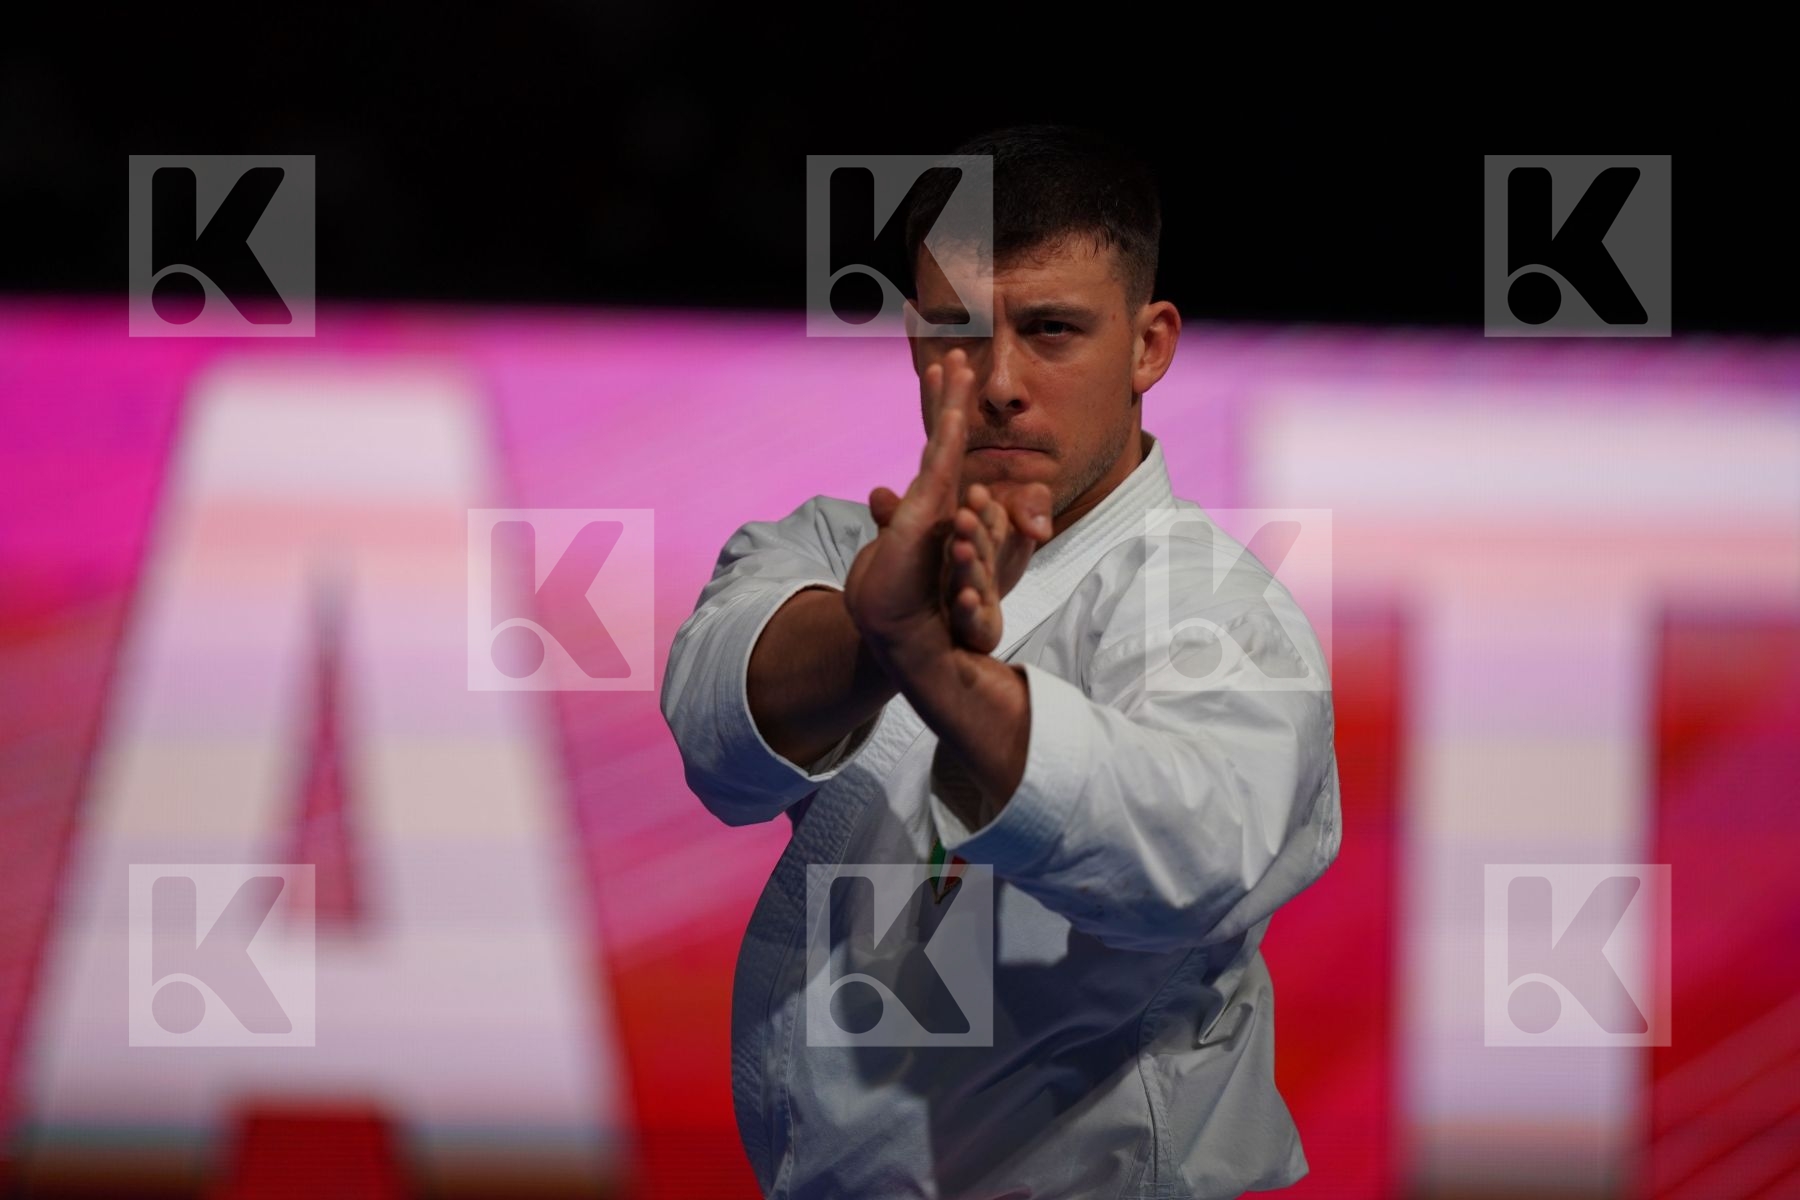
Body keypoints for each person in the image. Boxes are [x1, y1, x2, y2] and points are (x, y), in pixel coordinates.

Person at [660, 125, 1340, 1200]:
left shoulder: (1216, 611)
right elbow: (717, 748)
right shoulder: (836, 549)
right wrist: (878, 634)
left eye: (1052, 330)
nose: (999, 383)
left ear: (1150, 345)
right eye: (957, 333)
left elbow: (1184, 863)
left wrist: (937, 665)